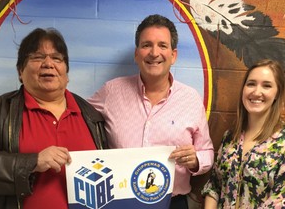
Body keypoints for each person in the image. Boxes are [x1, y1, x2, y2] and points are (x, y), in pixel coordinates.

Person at [87, 14, 214, 209]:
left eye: (162, 45)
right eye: (147, 45)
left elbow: (207, 151)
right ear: (137, 54)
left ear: (173, 55)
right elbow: (77, 115)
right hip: (120, 202)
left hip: (173, 203)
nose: (154, 53)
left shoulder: (191, 98)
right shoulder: (111, 91)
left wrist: (196, 160)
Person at [0, 28, 108, 209]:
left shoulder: (92, 115)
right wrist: (32, 162)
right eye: (37, 57)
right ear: (20, 71)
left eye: (57, 58)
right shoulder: (1, 110)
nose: (48, 63)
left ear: (66, 74)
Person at [202, 59, 285, 208]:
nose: (256, 92)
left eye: (266, 86)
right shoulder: (230, 137)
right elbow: (214, 187)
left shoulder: (282, 144)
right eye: (251, 84)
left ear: (277, 94)